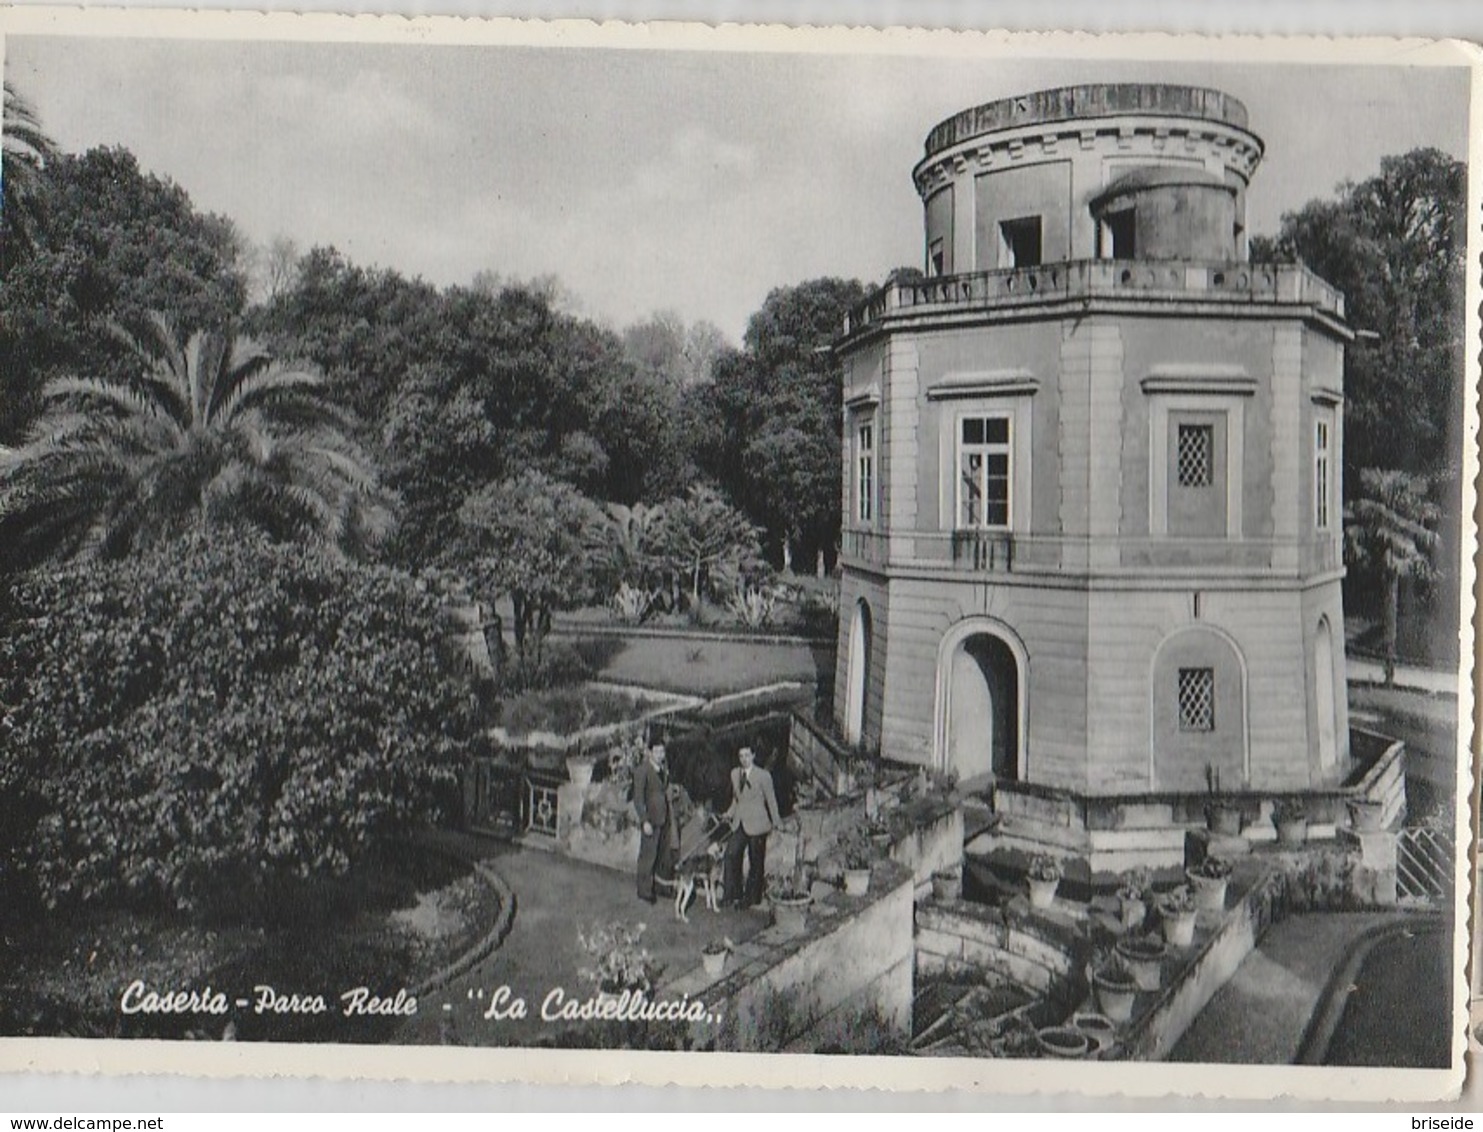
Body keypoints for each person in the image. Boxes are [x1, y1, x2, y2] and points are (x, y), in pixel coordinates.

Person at [722, 746, 781, 909]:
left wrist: (777, 823)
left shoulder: (763, 776)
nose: (744, 759)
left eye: (747, 755)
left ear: (753, 756)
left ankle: (751, 898)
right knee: (730, 854)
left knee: (756, 861)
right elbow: (736, 799)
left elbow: (771, 800)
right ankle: (731, 893)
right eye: (741, 756)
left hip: (758, 824)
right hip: (739, 822)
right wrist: (729, 812)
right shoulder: (734, 773)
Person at [632, 742, 675, 904]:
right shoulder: (642, 771)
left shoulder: (663, 770)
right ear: (649, 753)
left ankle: (660, 886)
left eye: (662, 751)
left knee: (662, 855)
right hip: (651, 819)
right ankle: (644, 890)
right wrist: (644, 821)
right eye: (656, 751)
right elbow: (638, 799)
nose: (659, 755)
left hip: (664, 818)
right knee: (648, 855)